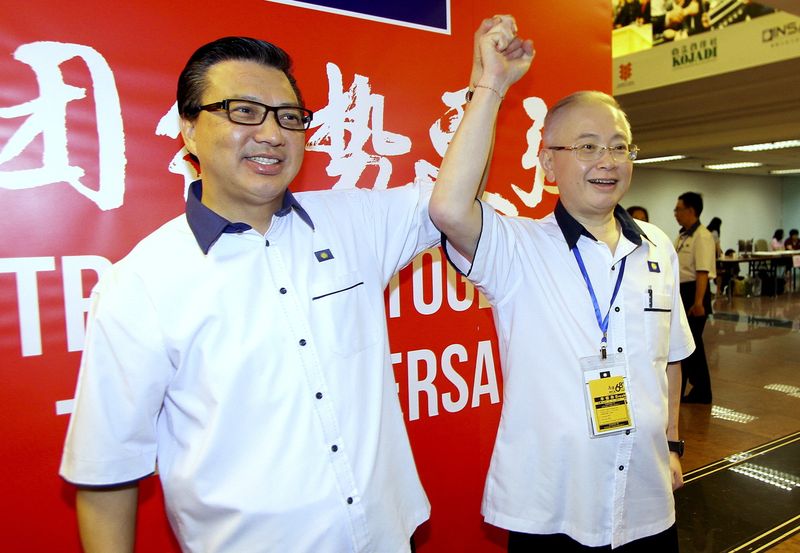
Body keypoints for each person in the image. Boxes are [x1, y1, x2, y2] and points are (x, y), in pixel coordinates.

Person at [58, 33, 481, 553]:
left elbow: (453, 202)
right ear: (188, 129)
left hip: (390, 539)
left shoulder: (354, 222)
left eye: (288, 117)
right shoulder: (142, 282)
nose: (272, 134)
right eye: (244, 112)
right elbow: (107, 473)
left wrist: (489, 87)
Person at [430, 16, 694, 551]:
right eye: (588, 147)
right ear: (549, 164)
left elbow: (671, 358)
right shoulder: (518, 249)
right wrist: (492, 85)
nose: (608, 161)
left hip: (647, 503)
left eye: (620, 147)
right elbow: (450, 207)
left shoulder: (657, 246)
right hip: (550, 508)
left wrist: (673, 446)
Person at [674, 192, 715, 403]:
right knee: (689, 345)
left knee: (693, 346)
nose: (675, 214)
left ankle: (702, 391)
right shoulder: (683, 235)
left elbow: (702, 272)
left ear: (690, 210)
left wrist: (698, 302)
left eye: (678, 209)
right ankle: (695, 390)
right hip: (682, 293)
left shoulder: (702, 236)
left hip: (695, 294)